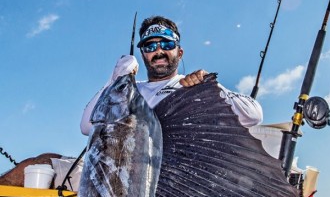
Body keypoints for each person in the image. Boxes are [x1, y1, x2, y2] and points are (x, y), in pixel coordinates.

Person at [80, 16, 262, 135]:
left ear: (180, 52)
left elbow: (253, 115)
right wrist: (115, 80)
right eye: (150, 47)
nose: (158, 52)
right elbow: (87, 126)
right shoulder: (129, 93)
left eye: (166, 45)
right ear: (143, 55)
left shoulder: (192, 88)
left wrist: (211, 88)